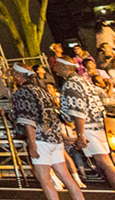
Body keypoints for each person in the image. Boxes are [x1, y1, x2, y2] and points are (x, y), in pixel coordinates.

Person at [10, 62, 84, 200]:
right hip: (54, 138)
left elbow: (28, 119)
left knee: (44, 179)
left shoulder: (22, 92)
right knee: (66, 178)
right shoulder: (42, 91)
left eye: (13, 73)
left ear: (18, 75)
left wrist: (32, 143)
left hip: (40, 139)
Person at [55, 55, 115, 189]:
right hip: (96, 124)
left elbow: (78, 109)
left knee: (103, 162)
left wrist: (81, 134)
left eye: (57, 65)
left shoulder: (72, 83)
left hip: (88, 126)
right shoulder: (82, 80)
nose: (54, 68)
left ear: (65, 66)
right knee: (102, 162)